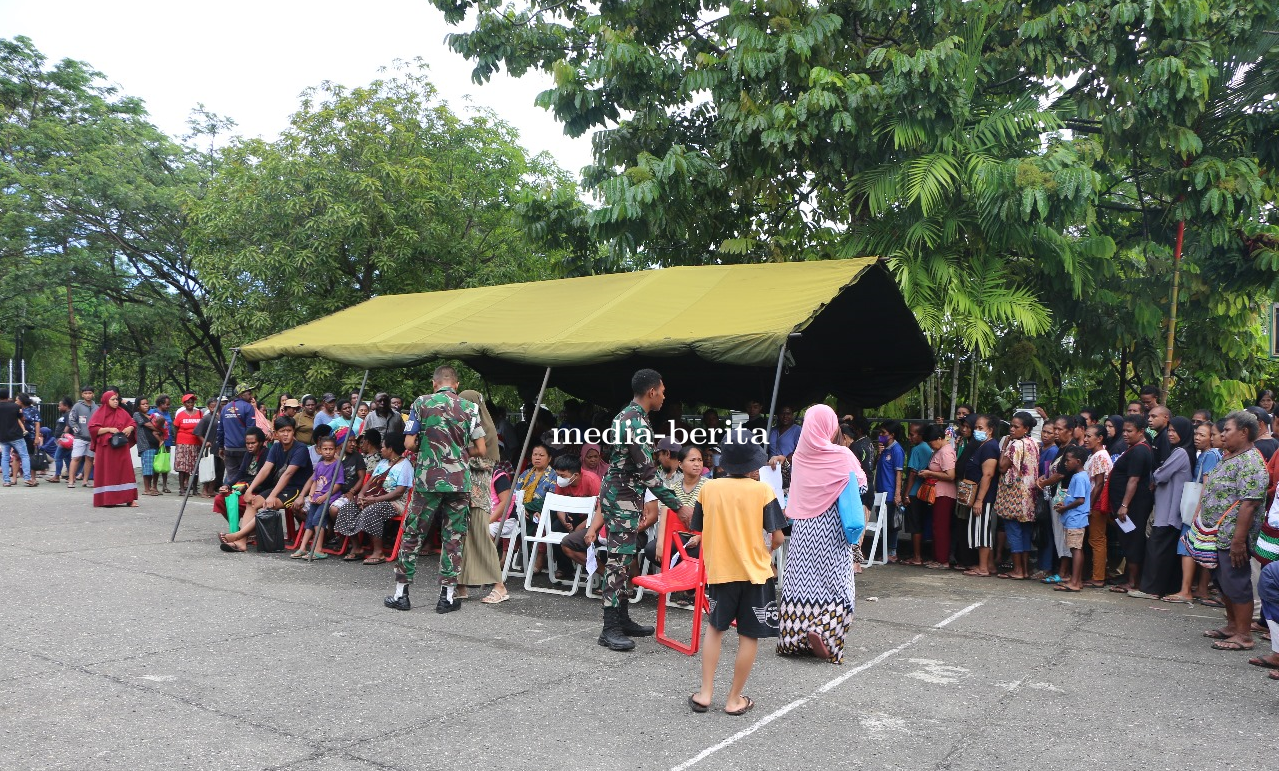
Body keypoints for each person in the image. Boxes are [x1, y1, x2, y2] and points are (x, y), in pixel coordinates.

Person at [585, 368, 692, 652]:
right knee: (618, 561)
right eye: (663, 390)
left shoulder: (629, 416)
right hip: (621, 497)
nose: (664, 396)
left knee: (624, 556)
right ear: (652, 392)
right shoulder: (636, 423)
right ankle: (609, 629)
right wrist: (678, 506)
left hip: (624, 495)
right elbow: (648, 472)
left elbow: (637, 470)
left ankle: (622, 619)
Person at [688, 431, 785, 715]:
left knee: (715, 629)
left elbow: (701, 528)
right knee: (748, 635)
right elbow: (777, 537)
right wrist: (765, 555)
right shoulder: (763, 491)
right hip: (755, 574)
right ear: (753, 464)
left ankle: (705, 693)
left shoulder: (708, 488)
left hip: (721, 571)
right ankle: (734, 699)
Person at [387, 366, 484, 614]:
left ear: (434, 383)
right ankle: (447, 598)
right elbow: (481, 449)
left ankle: (401, 595)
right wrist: (460, 454)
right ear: (457, 385)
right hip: (459, 481)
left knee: (413, 534)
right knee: (453, 538)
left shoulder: (421, 403)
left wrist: (427, 450)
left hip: (427, 480)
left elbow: (408, 442)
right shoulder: (470, 408)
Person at [776, 404, 862, 663]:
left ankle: (793, 639)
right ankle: (825, 630)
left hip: (803, 528)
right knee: (838, 585)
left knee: (800, 582)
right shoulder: (842, 455)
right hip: (832, 527)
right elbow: (860, 485)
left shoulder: (800, 456)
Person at [1199, 410, 1267, 651]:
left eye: (1227, 430)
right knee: (1223, 582)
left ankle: (1244, 635)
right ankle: (1231, 626)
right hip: (1217, 535)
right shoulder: (1230, 456)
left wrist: (1238, 541)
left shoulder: (1251, 462)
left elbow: (1249, 503)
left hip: (1233, 537)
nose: (1223, 434)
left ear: (1244, 432)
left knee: (1237, 583)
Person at [220, 416, 312, 552]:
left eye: (289, 430)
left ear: (294, 432)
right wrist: (250, 490)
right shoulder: (275, 448)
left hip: (297, 489)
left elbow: (288, 474)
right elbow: (265, 469)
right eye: (282, 431)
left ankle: (238, 535)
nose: (286, 434)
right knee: (253, 502)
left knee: (269, 505)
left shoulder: (301, 449)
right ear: (276, 434)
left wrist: (272, 495)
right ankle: (241, 543)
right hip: (280, 487)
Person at [456, 389, 509, 601]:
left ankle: (500, 587)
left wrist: (460, 456)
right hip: (459, 493)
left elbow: (487, 463)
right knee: (459, 539)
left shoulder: (486, 431)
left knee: (481, 539)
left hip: (477, 495)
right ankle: (459, 585)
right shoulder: (464, 428)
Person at [1135, 416, 1194, 598]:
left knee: (1156, 549)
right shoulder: (1183, 451)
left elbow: (1160, 475)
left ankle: (1151, 589)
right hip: (1169, 509)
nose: (1170, 433)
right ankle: (1163, 588)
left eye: (1175, 431)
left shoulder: (1181, 453)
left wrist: (1156, 473)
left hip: (1168, 510)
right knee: (1165, 552)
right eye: (1169, 430)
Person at [1164, 421, 1221, 604]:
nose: (1197, 438)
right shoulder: (1207, 454)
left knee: (1187, 547)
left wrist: (1197, 511)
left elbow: (1207, 484)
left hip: (1198, 509)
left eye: (1203, 435)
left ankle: (1185, 590)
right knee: (1203, 548)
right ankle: (1201, 590)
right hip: (1204, 510)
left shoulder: (1210, 455)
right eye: (1196, 434)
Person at [336, 430, 412, 566]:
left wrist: (374, 500)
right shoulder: (382, 463)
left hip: (395, 502)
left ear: (391, 449)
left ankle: (378, 552)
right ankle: (357, 547)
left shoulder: (405, 466)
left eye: (383, 447)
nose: (380, 449)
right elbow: (370, 482)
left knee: (372, 511)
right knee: (347, 507)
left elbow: (399, 492)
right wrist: (360, 496)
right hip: (372, 498)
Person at [1109, 414, 1155, 594]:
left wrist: (1124, 505)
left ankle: (1133, 582)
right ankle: (1130, 578)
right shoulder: (1135, 448)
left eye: (1129, 431)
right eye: (1124, 431)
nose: (1125, 434)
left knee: (1132, 541)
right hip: (1128, 504)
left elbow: (1133, 480)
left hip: (1133, 506)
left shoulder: (1140, 451)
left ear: (1141, 431)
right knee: (1127, 540)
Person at [995, 413, 1040, 580]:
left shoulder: (1014, 445)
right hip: (1030, 494)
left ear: (1026, 428)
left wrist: (1004, 446)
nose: (1012, 429)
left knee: (1014, 531)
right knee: (1026, 532)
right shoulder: (1034, 443)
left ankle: (1018, 570)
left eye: (1016, 426)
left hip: (1014, 494)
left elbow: (1002, 467)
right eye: (1011, 426)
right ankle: (1025, 569)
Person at [545, 452, 604, 576]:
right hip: (571, 514)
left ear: (575, 475)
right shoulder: (561, 483)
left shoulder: (592, 480)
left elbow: (600, 508)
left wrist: (581, 527)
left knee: (587, 534)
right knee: (555, 528)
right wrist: (564, 521)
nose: (559, 478)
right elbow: (558, 504)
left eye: (563, 475)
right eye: (558, 475)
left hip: (592, 517)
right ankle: (565, 567)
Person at [291, 435, 346, 559]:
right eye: (325, 449)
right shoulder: (320, 464)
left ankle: (318, 549)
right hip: (316, 498)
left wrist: (325, 496)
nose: (328, 452)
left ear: (336, 450)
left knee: (318, 520)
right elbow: (315, 481)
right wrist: (311, 493)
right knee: (309, 522)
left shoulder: (337, 465)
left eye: (330, 449)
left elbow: (337, 484)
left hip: (328, 498)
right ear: (320, 450)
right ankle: (303, 547)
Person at [86, 391, 139, 507]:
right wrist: (109, 429)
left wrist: (130, 428)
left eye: (117, 399)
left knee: (125, 471)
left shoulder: (122, 412)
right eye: (113, 399)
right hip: (106, 449)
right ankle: (107, 499)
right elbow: (93, 429)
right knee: (108, 472)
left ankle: (129, 499)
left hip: (121, 448)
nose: (116, 401)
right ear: (106, 400)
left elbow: (132, 422)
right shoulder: (99, 413)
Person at [1052, 446, 1092, 592]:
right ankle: (1077, 580)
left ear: (1078, 461)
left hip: (1076, 518)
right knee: (1076, 549)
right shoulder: (1078, 476)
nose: (1065, 463)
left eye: (1068, 460)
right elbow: (1075, 498)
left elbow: (1080, 500)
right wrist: (1064, 503)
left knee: (1076, 549)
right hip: (1074, 517)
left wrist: (1065, 508)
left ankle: (1075, 582)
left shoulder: (1080, 477)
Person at [918, 424, 956, 569]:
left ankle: (942, 560)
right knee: (936, 526)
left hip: (944, 494)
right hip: (937, 493)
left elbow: (950, 475)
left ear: (939, 439)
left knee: (941, 527)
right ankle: (937, 558)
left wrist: (930, 473)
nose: (930, 446)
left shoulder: (945, 452)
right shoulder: (940, 450)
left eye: (931, 442)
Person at [212, 427, 267, 522]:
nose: (250, 446)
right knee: (219, 499)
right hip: (243, 486)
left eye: (253, 443)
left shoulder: (267, 455)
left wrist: (246, 487)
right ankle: (235, 528)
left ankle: (247, 531)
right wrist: (227, 485)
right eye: (248, 443)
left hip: (258, 488)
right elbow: (240, 474)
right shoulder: (248, 454)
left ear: (261, 443)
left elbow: (265, 480)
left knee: (238, 501)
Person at [1081, 424, 1113, 588]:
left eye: (1089, 436)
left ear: (1099, 438)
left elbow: (1099, 484)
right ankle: (1097, 573)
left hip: (1097, 504)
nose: (1085, 439)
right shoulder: (1093, 455)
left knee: (1097, 540)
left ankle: (1098, 577)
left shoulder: (1100, 455)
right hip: (1093, 502)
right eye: (1085, 436)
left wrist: (1089, 505)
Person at [901, 423, 935, 566]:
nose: (910, 437)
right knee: (920, 524)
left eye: (912, 434)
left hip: (915, 492)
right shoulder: (929, 449)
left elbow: (913, 473)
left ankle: (916, 556)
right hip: (925, 492)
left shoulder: (916, 450)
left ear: (920, 435)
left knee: (915, 526)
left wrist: (906, 493)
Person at [875, 421, 906, 562]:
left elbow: (898, 473)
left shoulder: (897, 450)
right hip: (880, 490)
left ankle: (892, 551)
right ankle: (885, 550)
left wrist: (897, 494)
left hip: (890, 492)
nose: (881, 435)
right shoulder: (884, 450)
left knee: (891, 524)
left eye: (883, 433)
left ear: (892, 435)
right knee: (882, 524)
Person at [218, 384, 256, 485]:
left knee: (232, 479)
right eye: (248, 393)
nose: (251, 395)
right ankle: (240, 499)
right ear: (241, 394)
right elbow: (251, 430)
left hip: (229, 449)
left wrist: (221, 447)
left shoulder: (225, 408)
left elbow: (220, 430)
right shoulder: (248, 407)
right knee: (244, 478)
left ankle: (231, 499)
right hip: (244, 449)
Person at [0, 391, 34, 488]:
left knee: (5, 457)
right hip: (16, 435)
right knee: (24, 455)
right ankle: (27, 478)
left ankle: (6, 481)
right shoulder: (15, 406)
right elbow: (22, 418)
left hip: (3, 436)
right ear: (8, 396)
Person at [172, 394, 203, 495]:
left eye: (192, 402)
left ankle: (195, 489)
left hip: (196, 443)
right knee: (182, 467)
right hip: (182, 443)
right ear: (184, 403)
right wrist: (176, 441)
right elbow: (175, 428)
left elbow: (203, 426)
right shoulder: (180, 414)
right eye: (188, 402)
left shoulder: (199, 413)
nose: (190, 404)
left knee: (195, 466)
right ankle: (182, 489)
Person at [66, 386, 97, 488]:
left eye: (90, 393)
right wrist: (77, 430)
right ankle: (71, 480)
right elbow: (71, 420)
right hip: (79, 438)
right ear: (82, 394)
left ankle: (85, 480)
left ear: (93, 394)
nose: (88, 395)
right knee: (76, 458)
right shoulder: (77, 406)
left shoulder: (97, 408)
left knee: (89, 459)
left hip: (92, 438)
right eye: (86, 393)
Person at [192, 398, 223, 497]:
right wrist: (204, 441)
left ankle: (211, 489)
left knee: (218, 469)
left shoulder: (221, 417)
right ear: (208, 407)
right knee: (209, 468)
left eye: (215, 406)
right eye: (211, 406)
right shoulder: (207, 418)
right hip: (210, 448)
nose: (214, 408)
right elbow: (197, 432)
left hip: (219, 447)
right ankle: (204, 490)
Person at [132, 397, 160, 496]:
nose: (146, 405)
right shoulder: (137, 415)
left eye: (147, 403)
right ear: (138, 406)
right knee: (147, 468)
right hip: (145, 444)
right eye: (143, 404)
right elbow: (147, 425)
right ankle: (147, 489)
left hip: (156, 444)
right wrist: (158, 429)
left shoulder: (151, 415)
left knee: (156, 468)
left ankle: (154, 487)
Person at [46, 396, 73, 482]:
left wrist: (63, 436)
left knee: (58, 457)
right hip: (62, 439)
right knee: (68, 458)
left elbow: (68, 425)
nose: (59, 407)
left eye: (60, 405)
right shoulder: (64, 415)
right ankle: (71, 475)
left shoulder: (69, 414)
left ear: (66, 406)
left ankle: (57, 476)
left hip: (65, 440)